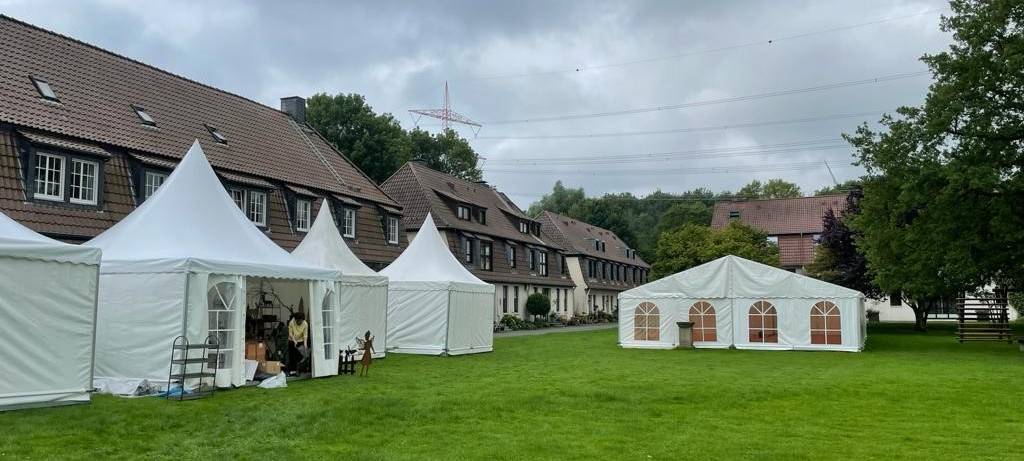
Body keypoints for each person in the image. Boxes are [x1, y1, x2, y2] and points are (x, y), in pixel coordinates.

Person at [287, 311, 308, 376]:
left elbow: (305, 335)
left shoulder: (305, 324)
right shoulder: (291, 322)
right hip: (291, 340)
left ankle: (298, 370)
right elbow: (290, 333)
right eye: (298, 321)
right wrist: (294, 341)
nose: (300, 322)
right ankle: (292, 371)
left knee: (300, 356)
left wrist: (305, 344)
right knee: (292, 356)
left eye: (301, 321)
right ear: (296, 319)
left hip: (300, 340)